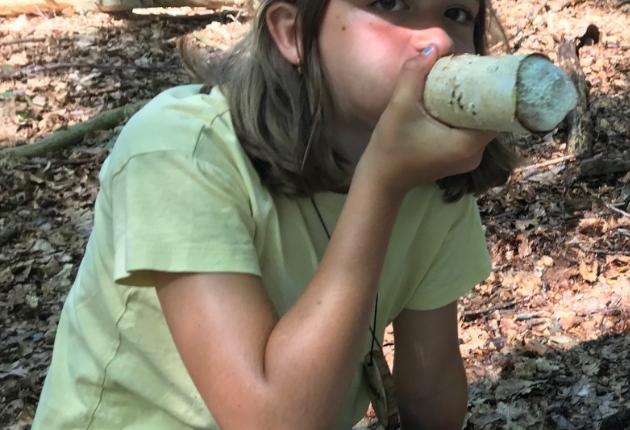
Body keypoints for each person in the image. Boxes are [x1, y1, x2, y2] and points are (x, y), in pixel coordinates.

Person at [33, 0, 520, 428]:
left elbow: (431, 396)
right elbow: (270, 420)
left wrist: (394, 175)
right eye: (390, 3)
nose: (436, 37)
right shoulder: (181, 150)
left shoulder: (430, 169)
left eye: (457, 14)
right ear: (293, 33)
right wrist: (382, 182)